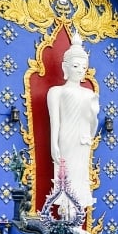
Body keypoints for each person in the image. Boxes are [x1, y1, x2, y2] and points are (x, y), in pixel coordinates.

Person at [47, 29, 99, 216]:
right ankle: (64, 213)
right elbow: (55, 121)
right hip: (66, 139)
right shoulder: (56, 92)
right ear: (65, 68)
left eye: (83, 68)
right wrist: (54, 144)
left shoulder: (89, 94)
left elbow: (93, 127)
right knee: (65, 175)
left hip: (82, 141)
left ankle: (77, 215)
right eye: (75, 66)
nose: (79, 71)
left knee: (80, 177)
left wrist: (93, 113)